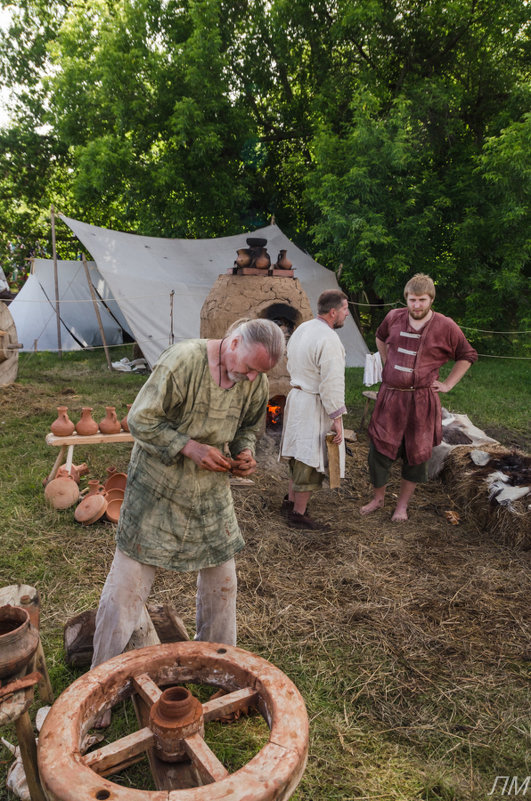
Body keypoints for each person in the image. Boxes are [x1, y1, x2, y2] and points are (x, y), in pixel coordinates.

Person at [91, 319, 284, 679]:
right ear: (233, 342)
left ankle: (217, 669)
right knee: (127, 586)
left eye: (260, 372)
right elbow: (140, 419)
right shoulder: (182, 361)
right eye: (249, 368)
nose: (253, 378)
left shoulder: (255, 379)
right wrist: (189, 447)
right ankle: (100, 681)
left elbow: (248, 426)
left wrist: (244, 451)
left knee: (223, 584)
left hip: (209, 491)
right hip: (157, 488)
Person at [361, 273, 477, 521]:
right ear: (406, 298)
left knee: (417, 455)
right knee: (378, 450)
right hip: (390, 398)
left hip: (421, 402)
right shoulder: (393, 317)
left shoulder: (446, 325)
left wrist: (447, 384)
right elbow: (381, 337)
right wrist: (386, 361)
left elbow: (467, 355)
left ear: (431, 299)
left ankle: (402, 506)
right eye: (412, 300)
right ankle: (378, 498)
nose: (416, 305)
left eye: (422, 300)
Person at [280, 289, 349, 530]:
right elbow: (331, 383)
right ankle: (298, 513)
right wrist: (337, 418)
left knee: (298, 454)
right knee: (308, 458)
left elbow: (289, 359)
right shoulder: (329, 339)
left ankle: (290, 502)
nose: (347, 314)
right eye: (345, 309)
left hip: (298, 397)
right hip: (312, 403)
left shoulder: (303, 328)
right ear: (333, 312)